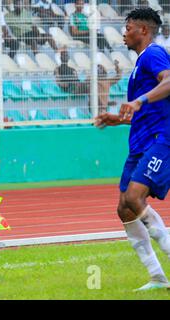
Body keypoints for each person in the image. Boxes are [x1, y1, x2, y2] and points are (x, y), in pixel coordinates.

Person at [95, 8, 170, 291]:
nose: (123, 33)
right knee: (124, 208)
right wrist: (119, 119)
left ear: (143, 31)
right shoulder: (140, 64)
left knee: (136, 197)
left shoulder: (153, 54)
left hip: (161, 139)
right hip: (140, 142)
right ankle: (157, 276)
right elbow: (151, 109)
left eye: (128, 28)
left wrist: (138, 101)